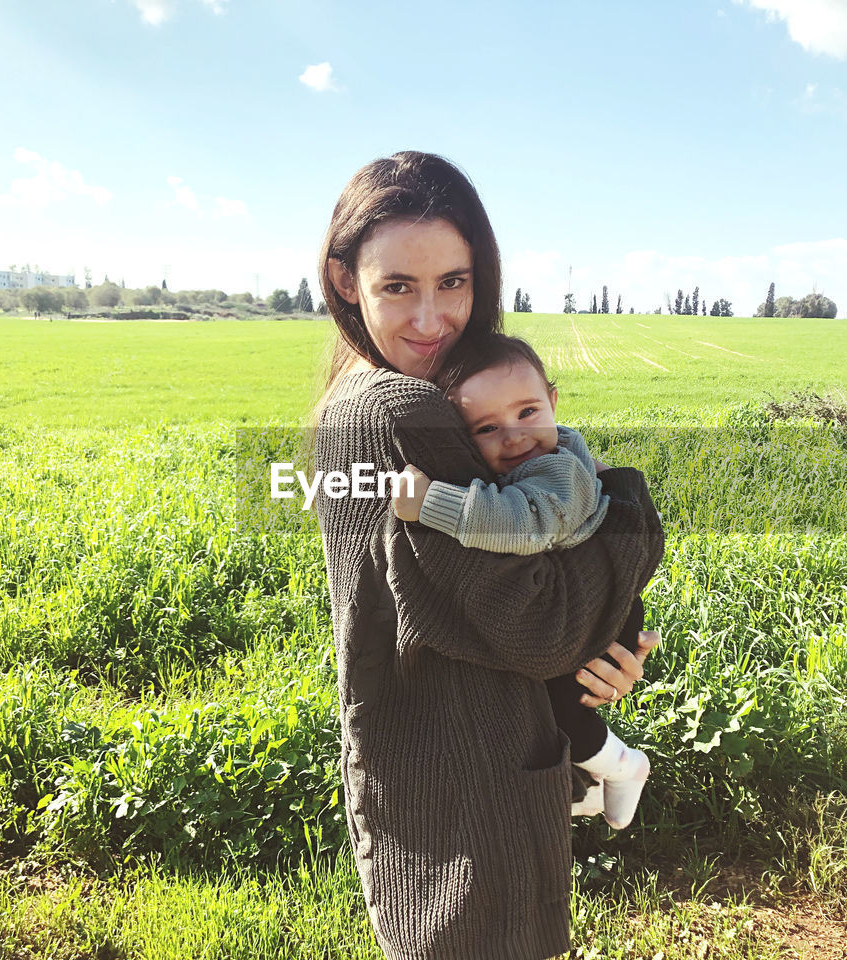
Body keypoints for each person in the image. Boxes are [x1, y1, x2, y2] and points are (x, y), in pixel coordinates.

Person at [311, 150, 666, 960]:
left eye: (454, 282)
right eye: (397, 285)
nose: (433, 318)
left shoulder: (357, 401)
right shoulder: (403, 414)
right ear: (343, 280)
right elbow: (541, 626)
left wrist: (608, 643)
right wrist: (633, 514)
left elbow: (524, 601)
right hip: (470, 793)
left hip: (432, 776)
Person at [388, 332, 661, 831]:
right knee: (550, 710)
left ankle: (623, 767)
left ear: (554, 402)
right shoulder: (557, 448)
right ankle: (590, 784)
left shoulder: (555, 472)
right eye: (487, 427)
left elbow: (523, 522)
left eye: (528, 413)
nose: (513, 436)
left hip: (598, 607)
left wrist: (431, 503)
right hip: (591, 590)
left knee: (564, 707)